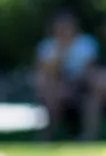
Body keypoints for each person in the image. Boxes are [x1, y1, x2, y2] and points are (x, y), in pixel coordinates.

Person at [34, 10, 101, 139]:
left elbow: (90, 72)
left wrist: (72, 86)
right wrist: (61, 52)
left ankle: (89, 137)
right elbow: (46, 74)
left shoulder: (86, 44)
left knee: (93, 98)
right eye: (60, 27)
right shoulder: (46, 46)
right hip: (56, 89)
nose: (64, 30)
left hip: (81, 88)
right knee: (52, 94)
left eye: (67, 26)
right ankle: (46, 137)